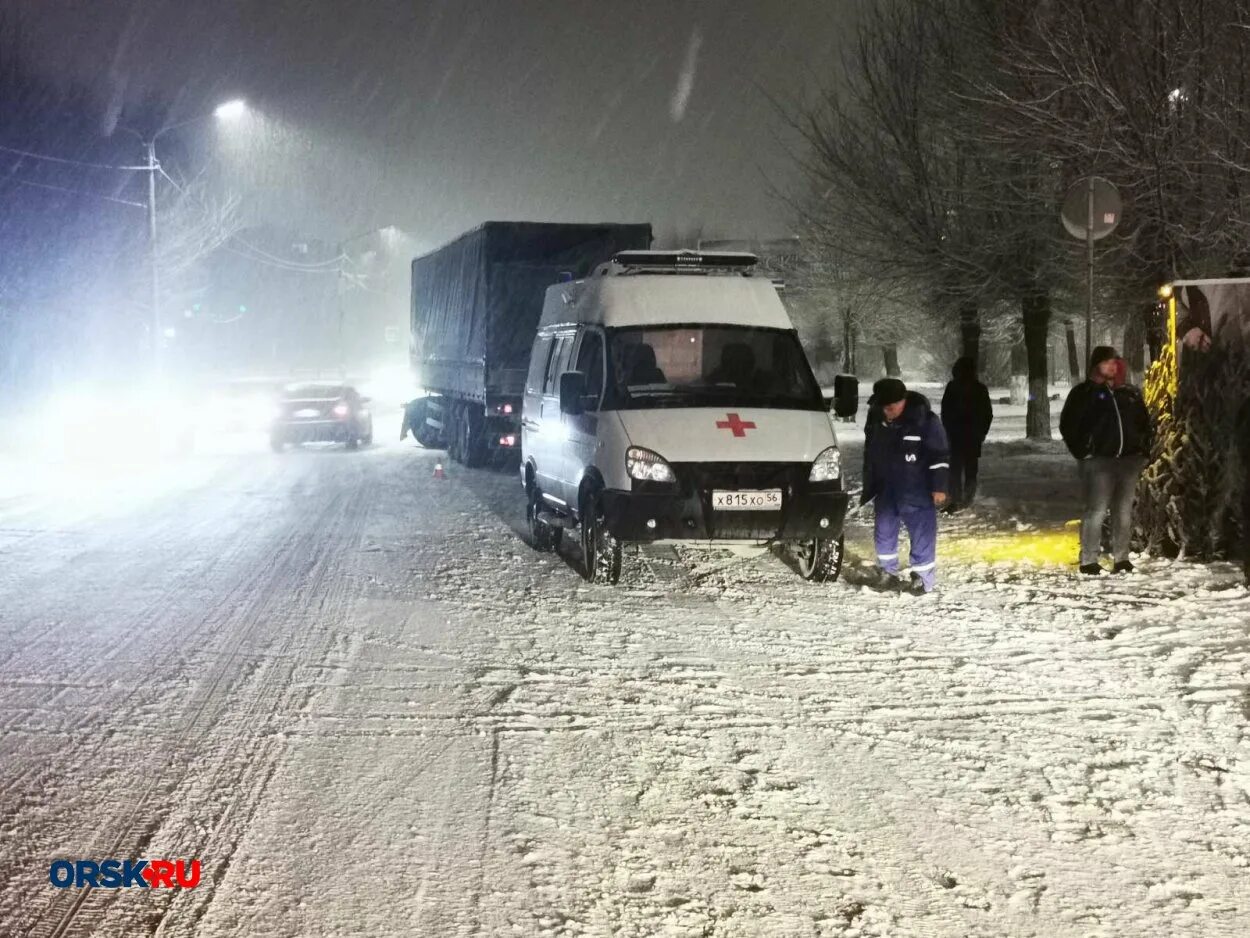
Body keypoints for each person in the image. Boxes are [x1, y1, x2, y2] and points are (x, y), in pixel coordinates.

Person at [1059, 346, 1153, 575]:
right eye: (1107, 362)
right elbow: (1069, 425)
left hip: (1129, 461)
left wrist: (1143, 449)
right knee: (1096, 510)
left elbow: (1144, 423)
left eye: (1115, 362)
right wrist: (1084, 452)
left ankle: (1121, 558)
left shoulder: (1128, 393)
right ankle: (1089, 559)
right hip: (1099, 462)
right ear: (1096, 365)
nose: (1112, 366)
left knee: (1123, 511)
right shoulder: (1085, 393)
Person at [862, 377, 950, 593]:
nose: (886, 412)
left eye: (890, 407)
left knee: (922, 533)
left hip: (916, 489)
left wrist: (939, 486)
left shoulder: (925, 421)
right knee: (884, 531)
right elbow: (871, 453)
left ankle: (922, 577)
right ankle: (887, 572)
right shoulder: (876, 420)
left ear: (903, 401)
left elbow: (939, 455)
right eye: (883, 407)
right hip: (886, 488)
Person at [940, 357, 993, 510]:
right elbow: (987, 413)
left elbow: (946, 411)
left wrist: (948, 429)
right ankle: (968, 499)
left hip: (956, 434)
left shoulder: (952, 387)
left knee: (955, 468)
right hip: (973, 435)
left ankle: (955, 499)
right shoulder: (980, 389)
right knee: (971, 468)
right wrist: (982, 432)